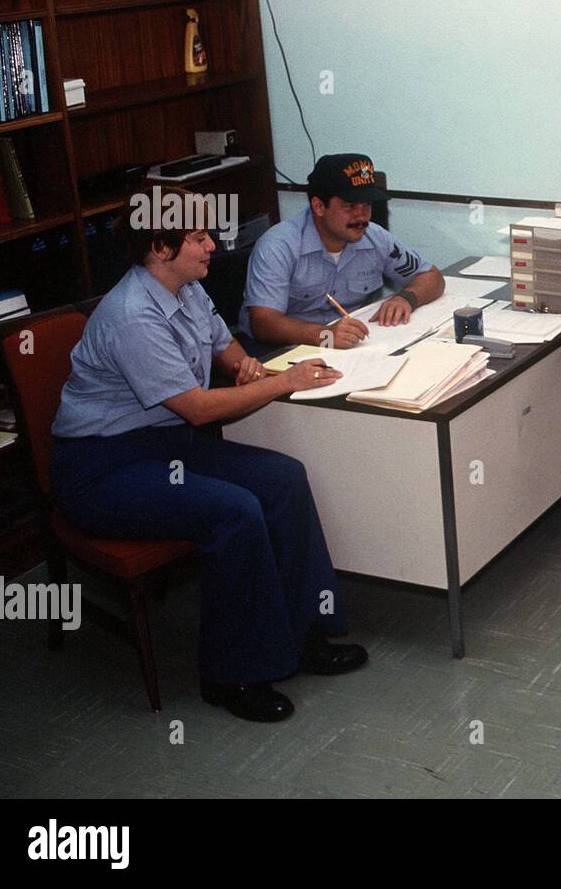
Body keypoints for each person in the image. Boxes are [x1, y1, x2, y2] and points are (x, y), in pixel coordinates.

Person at [51, 187, 367, 723]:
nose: (211, 248)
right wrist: (279, 382)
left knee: (283, 478)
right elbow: (197, 409)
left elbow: (224, 344)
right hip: (102, 469)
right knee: (233, 510)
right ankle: (233, 673)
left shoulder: (185, 288)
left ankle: (305, 632)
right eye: (198, 239)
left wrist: (245, 365)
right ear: (159, 247)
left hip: (165, 445)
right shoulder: (132, 315)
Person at [239, 153, 444, 349]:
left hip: (348, 345)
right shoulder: (278, 246)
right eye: (350, 206)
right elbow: (264, 323)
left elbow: (432, 277)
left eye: (367, 204)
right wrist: (325, 336)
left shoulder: (374, 237)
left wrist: (406, 298)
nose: (361, 215)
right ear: (319, 207)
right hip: (284, 349)